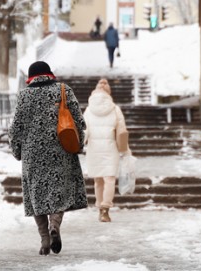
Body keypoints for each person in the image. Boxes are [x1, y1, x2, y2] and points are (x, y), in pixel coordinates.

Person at [9, 61, 87, 255]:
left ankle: (44, 239)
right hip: (60, 151)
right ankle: (55, 225)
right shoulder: (63, 90)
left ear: (31, 77)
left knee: (37, 196)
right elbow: (78, 121)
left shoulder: (24, 96)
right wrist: (79, 144)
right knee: (58, 192)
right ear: (49, 74)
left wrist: (17, 151)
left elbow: (16, 128)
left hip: (32, 155)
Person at [84, 79, 128, 222]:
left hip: (94, 149)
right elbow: (122, 131)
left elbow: (84, 131)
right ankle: (105, 209)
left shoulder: (89, 110)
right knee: (109, 179)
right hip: (111, 148)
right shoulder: (115, 108)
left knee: (98, 180)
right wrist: (125, 150)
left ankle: (99, 208)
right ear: (109, 93)